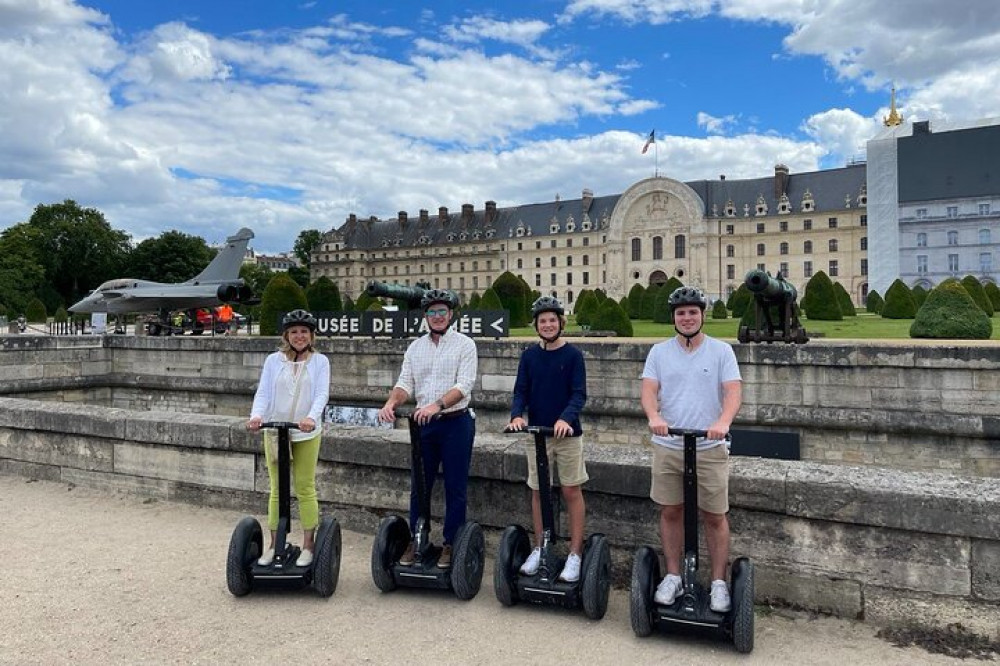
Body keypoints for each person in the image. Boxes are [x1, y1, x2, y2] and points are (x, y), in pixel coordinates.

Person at [640, 286, 742, 612]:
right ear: (673, 317)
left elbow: (733, 393)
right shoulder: (659, 352)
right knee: (671, 510)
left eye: (692, 312)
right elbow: (648, 390)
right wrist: (654, 415)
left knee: (715, 515)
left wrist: (724, 422)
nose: (687, 318)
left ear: (702, 315)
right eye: (681, 313)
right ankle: (673, 575)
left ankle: (718, 582)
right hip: (668, 444)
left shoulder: (721, 351)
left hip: (709, 446)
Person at [377, 289, 477, 569]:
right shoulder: (415, 347)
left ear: (451, 314)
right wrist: (391, 403)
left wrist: (436, 405)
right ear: (425, 316)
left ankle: (450, 543)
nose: (437, 316)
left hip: (456, 423)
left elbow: (463, 386)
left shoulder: (465, 345)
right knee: (419, 486)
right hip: (425, 426)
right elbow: (404, 384)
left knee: (455, 486)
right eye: (432, 312)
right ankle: (417, 537)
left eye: (442, 311)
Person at [507, 295, 588, 582]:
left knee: (571, 491)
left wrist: (565, 418)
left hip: (567, 435)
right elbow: (521, 391)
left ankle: (575, 553)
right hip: (537, 435)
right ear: (537, 325)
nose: (548, 324)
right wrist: (517, 415)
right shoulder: (529, 356)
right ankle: (541, 547)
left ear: (561, 323)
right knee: (538, 492)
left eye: (553, 320)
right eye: (543, 321)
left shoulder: (573, 355)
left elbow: (579, 394)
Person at [246, 309, 330, 567]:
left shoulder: (320, 362)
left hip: (305, 433)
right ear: (286, 335)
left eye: (304, 331)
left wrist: (311, 418)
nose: (299, 336)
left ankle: (308, 544)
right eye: (294, 331)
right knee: (276, 489)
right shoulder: (274, 360)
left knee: (304, 487)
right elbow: (263, 393)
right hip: (275, 431)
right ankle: (274, 544)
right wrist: (256, 415)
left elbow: (321, 395)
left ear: (311, 335)